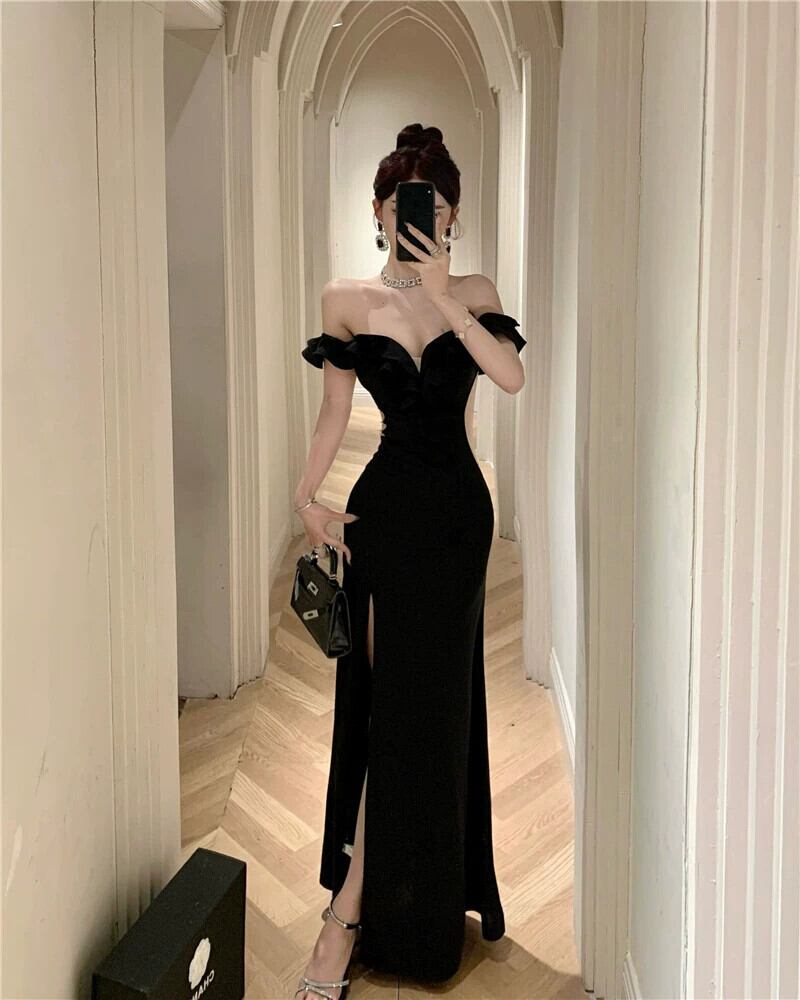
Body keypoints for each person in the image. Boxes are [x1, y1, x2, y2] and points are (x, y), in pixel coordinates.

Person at [293, 123, 526, 1000]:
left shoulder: (474, 292)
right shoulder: (346, 299)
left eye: (429, 204)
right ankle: (353, 911)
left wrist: (445, 299)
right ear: (378, 210)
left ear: (453, 215)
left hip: (458, 523)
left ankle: (392, 912)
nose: (411, 217)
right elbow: (332, 411)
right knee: (387, 710)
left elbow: (509, 378)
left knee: (434, 713)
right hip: (383, 518)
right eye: (397, 204)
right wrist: (305, 499)